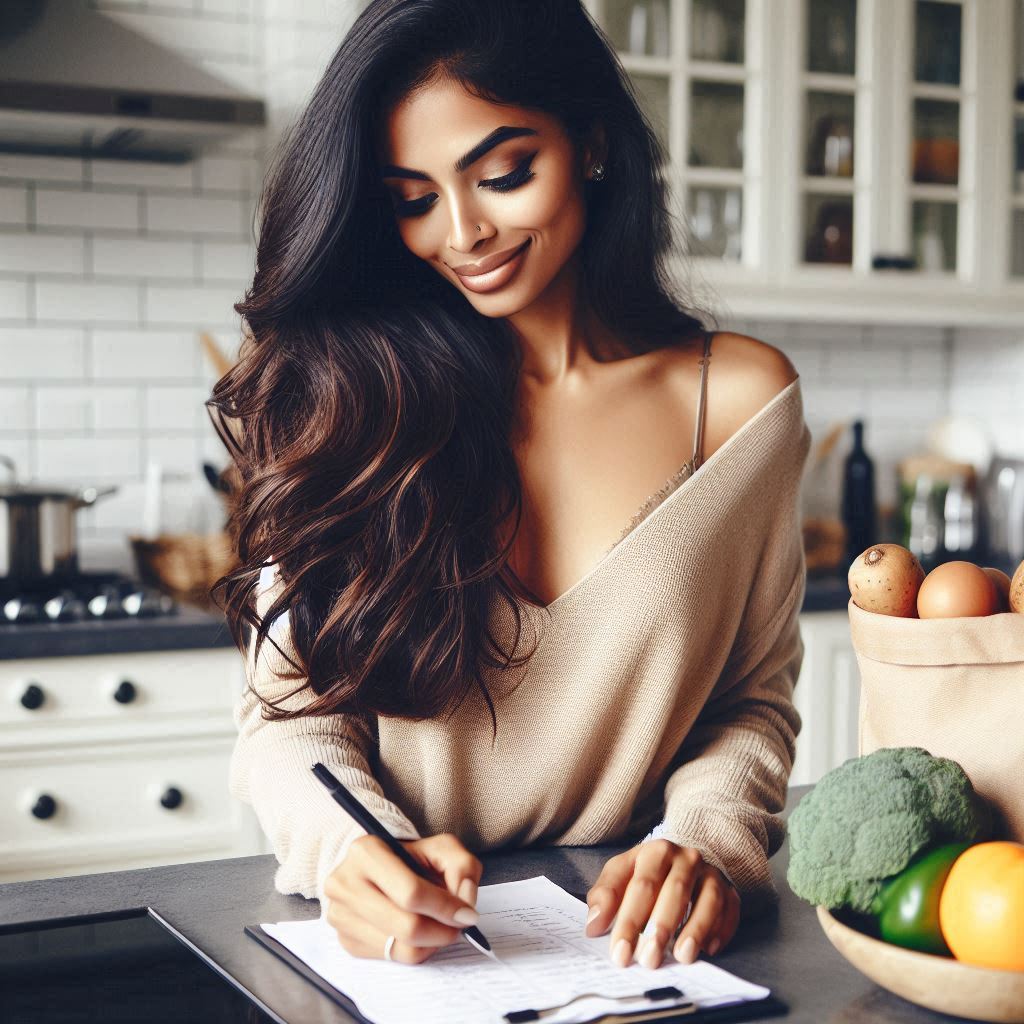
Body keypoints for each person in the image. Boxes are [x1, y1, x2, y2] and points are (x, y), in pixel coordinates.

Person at [208, 0, 809, 975]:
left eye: (502, 174)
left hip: (633, 960)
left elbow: (749, 700)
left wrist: (704, 841)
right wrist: (358, 848)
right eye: (411, 198)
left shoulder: (735, 403)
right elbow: (292, 721)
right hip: (412, 966)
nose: (462, 231)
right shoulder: (346, 401)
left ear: (593, 143)